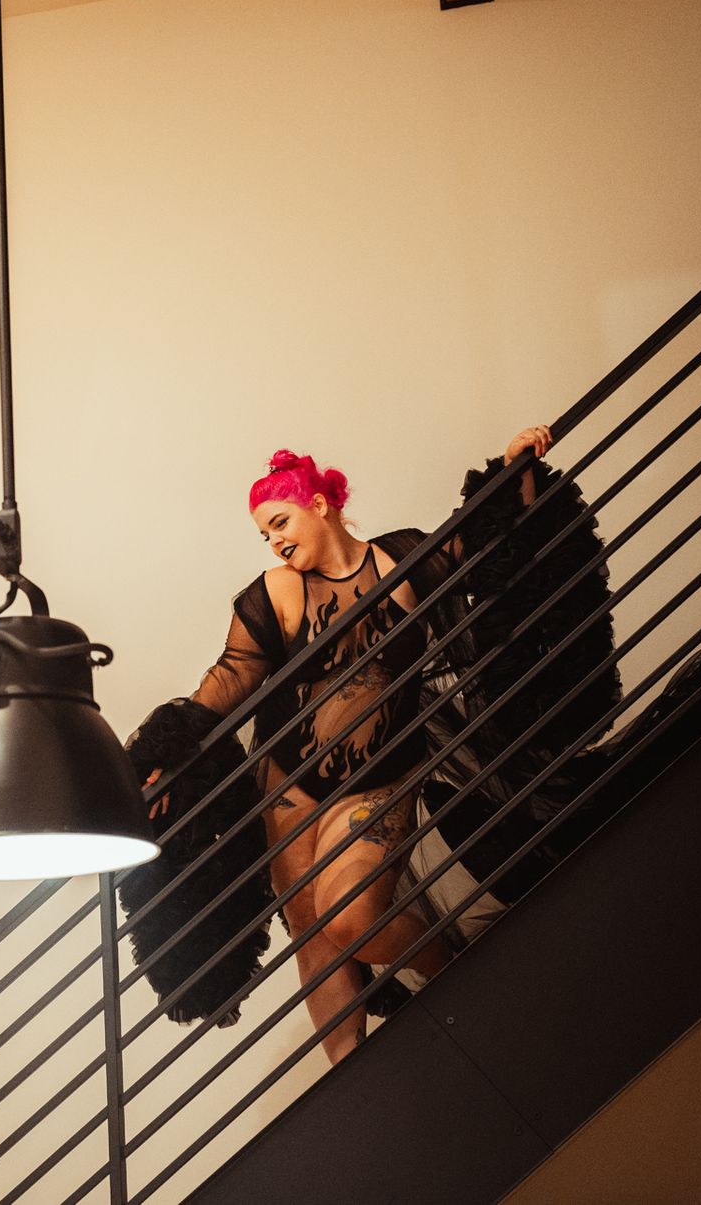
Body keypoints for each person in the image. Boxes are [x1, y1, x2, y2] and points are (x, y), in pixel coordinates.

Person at [144, 427, 553, 1063]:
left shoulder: (406, 559)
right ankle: (347, 1072)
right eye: (264, 533)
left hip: (382, 777)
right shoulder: (277, 590)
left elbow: (490, 535)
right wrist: (162, 756)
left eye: (280, 521)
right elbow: (231, 674)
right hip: (287, 787)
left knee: (354, 917)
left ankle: (458, 979)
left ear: (320, 503)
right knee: (313, 931)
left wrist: (516, 464)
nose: (275, 540)